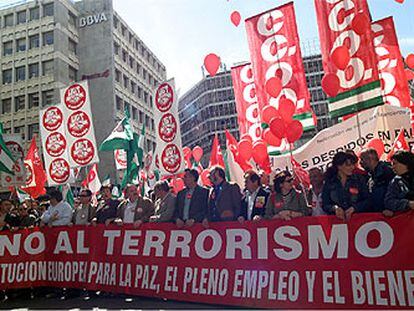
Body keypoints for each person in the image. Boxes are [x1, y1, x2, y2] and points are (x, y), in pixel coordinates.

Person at [322, 152, 371, 220]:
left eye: (353, 165)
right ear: (339, 166)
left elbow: (368, 200)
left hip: (358, 220)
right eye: (348, 165)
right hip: (336, 222)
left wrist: (354, 208)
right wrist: (335, 208)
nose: (352, 167)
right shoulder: (330, 182)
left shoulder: (359, 180)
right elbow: (325, 204)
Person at [360, 148, 395, 213]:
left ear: (370, 159)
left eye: (362, 159)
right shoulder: (369, 176)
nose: (360, 163)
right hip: (379, 215)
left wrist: (392, 209)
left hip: (391, 215)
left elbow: (396, 192)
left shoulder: (387, 171)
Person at [384, 151, 414, 215]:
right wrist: (408, 204)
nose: (392, 167)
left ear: (406, 164)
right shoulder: (395, 182)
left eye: (395, 164)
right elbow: (388, 202)